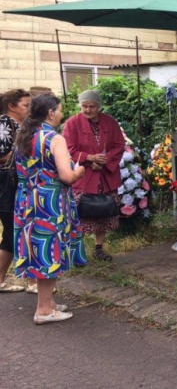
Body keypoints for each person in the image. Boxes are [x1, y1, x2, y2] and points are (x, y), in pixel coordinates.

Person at [14, 94, 86, 324]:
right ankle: (44, 309)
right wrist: (80, 171)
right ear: (50, 113)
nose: (62, 114)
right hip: (50, 203)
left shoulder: (24, 136)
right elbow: (67, 176)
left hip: (27, 201)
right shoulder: (54, 138)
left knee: (36, 251)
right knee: (49, 252)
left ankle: (47, 303)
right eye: (60, 110)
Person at [62, 90, 125, 262]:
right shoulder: (72, 123)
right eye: (84, 106)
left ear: (99, 107)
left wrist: (104, 160)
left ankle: (99, 248)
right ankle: (76, 252)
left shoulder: (110, 122)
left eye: (91, 106)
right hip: (83, 174)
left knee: (103, 212)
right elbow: (68, 148)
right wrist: (89, 158)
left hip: (105, 173)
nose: (87, 110)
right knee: (79, 213)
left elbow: (120, 145)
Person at [0, 89, 30, 293]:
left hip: (10, 184)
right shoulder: (4, 123)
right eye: (26, 105)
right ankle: (34, 281)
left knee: (11, 234)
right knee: (18, 231)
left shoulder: (18, 125)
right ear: (11, 106)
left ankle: (0, 279)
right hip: (7, 184)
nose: (29, 109)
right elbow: (3, 155)